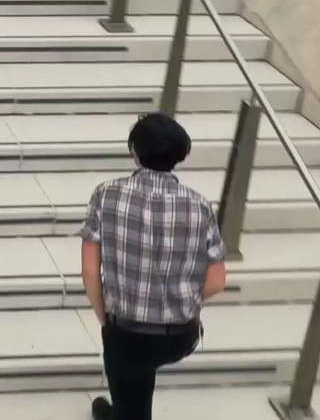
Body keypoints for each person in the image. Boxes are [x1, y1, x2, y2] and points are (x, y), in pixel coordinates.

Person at [80, 113, 228, 420]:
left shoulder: (105, 194)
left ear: (134, 151)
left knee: (129, 369)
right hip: (180, 335)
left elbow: (90, 272)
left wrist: (105, 318)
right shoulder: (199, 205)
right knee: (139, 370)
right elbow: (216, 282)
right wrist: (180, 303)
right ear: (182, 155)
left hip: (127, 332)